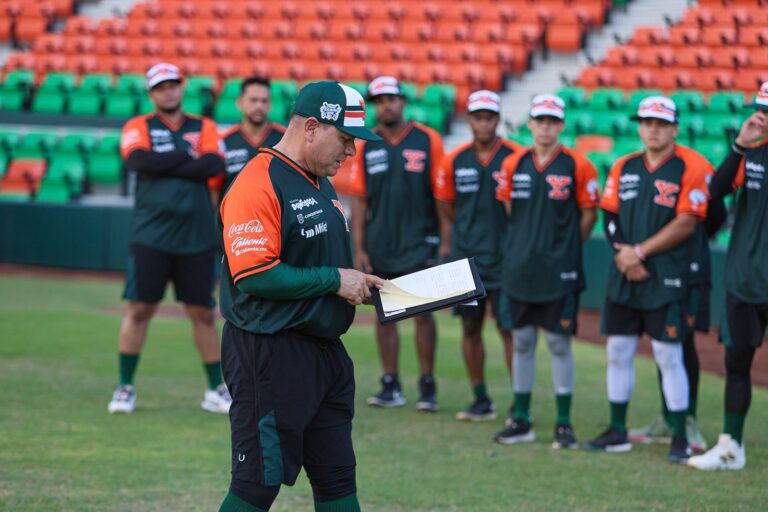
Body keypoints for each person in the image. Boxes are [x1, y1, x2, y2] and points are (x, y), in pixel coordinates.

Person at [217, 81, 384, 512]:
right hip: (269, 354)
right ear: (311, 127)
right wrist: (333, 280)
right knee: (256, 485)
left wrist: (356, 284)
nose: (351, 152)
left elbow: (318, 263)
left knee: (338, 482)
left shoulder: (318, 179)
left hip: (325, 356)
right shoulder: (258, 183)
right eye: (345, 140)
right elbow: (254, 274)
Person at [585, 96, 710, 463]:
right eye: (646, 122)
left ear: (674, 128)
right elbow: (608, 215)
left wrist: (638, 253)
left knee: (668, 355)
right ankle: (617, 429)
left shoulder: (691, 166)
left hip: (666, 274)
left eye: (660, 124)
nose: (652, 129)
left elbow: (687, 222)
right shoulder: (624, 165)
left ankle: (678, 436)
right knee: (617, 351)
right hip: (624, 273)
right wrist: (625, 254)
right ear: (639, 127)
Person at [108, 63, 230, 414]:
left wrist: (164, 162)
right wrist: (184, 157)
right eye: (161, 87)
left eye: (173, 85)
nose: (168, 91)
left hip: (196, 236)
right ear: (151, 93)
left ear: (181, 87)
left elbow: (211, 165)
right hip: (151, 235)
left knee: (203, 313)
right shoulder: (138, 125)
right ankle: (125, 387)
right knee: (140, 308)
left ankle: (214, 389)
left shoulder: (203, 126)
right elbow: (138, 159)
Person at [492, 94, 599, 448]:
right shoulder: (513, 164)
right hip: (519, 268)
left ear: (561, 126)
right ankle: (521, 419)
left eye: (553, 122)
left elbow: (588, 215)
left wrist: (565, 248)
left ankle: (563, 423)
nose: (546, 127)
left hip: (560, 270)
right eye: (541, 121)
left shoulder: (579, 165)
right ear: (531, 124)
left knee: (558, 343)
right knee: (521, 341)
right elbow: (508, 210)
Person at [348, 76, 445, 411]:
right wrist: (359, 248)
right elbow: (359, 201)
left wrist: (443, 243)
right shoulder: (365, 143)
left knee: (423, 312)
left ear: (403, 101)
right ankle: (391, 383)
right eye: (379, 100)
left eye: (391, 98)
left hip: (419, 241)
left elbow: (442, 197)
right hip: (380, 242)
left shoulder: (427, 139)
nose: (386, 105)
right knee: (384, 313)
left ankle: (427, 384)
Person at [688, 82, 768, 471]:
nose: (764, 118)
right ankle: (730, 447)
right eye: (762, 110)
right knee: (737, 360)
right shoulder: (750, 153)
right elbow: (715, 193)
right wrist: (739, 144)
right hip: (745, 277)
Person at [629, 159, 726, 453]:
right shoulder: (642, 167)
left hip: (691, 270)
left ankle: (688, 419)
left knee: (683, 340)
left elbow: (717, 213)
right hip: (664, 266)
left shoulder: (695, 166)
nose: (654, 129)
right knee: (665, 341)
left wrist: (697, 237)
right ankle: (668, 416)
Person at [433, 90, 518, 421]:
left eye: (489, 117)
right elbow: (446, 204)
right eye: (477, 117)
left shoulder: (514, 158)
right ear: (469, 120)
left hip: (506, 259)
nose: (483, 123)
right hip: (466, 261)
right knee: (471, 328)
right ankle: (480, 398)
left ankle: (518, 405)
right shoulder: (455, 160)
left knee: (508, 329)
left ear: (497, 120)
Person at [209, 76, 285, 204]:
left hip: (278, 220)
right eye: (253, 100)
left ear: (270, 105)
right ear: (240, 103)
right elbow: (214, 188)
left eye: (264, 101)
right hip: (234, 219)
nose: (259, 106)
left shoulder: (284, 139)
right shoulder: (223, 141)